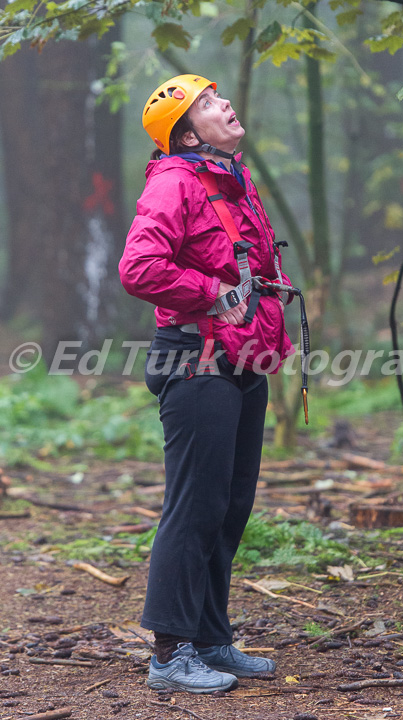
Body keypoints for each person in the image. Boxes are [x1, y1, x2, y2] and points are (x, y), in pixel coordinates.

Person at [119, 74, 294, 694]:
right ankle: (169, 653)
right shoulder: (174, 181)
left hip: (240, 359)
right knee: (193, 507)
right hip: (194, 360)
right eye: (209, 104)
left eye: (221, 96)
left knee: (229, 505)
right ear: (187, 133)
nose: (226, 104)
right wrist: (212, 295)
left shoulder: (229, 180)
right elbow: (139, 267)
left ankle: (211, 640)